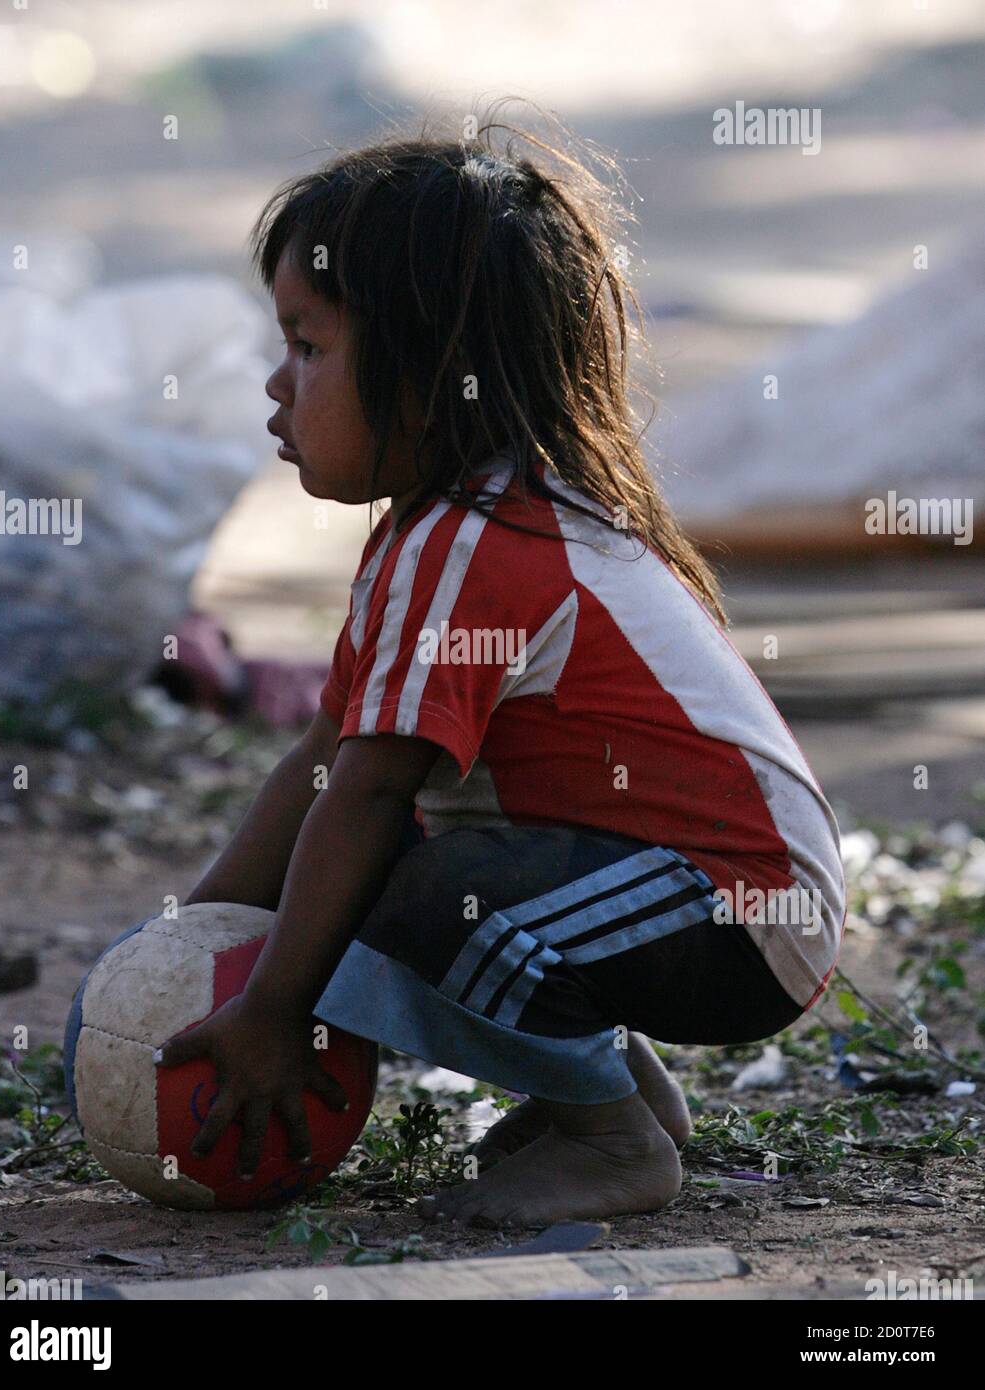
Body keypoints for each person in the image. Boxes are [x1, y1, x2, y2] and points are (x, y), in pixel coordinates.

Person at [155, 111, 846, 1228]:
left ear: (432, 373)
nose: (278, 386)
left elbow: (366, 795)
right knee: (379, 863)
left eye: (310, 346)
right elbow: (327, 758)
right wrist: (194, 940)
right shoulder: (447, 531)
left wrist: (274, 1004)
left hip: (736, 913)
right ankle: (615, 1098)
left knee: (390, 879)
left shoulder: (478, 543)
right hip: (684, 894)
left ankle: (607, 1134)